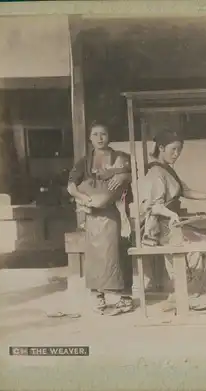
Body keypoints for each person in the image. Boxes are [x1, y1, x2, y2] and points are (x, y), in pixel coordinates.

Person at [138, 129, 206, 312]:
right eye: (173, 149)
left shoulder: (167, 170)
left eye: (179, 150)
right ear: (161, 148)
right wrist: (172, 215)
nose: (176, 154)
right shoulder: (156, 172)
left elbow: (185, 191)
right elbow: (154, 206)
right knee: (200, 248)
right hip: (162, 226)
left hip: (173, 224)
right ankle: (194, 297)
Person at [67, 122, 134, 314]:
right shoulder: (84, 162)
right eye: (95, 134)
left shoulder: (121, 158)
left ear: (109, 136)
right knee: (96, 256)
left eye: (103, 134)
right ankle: (99, 297)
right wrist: (84, 198)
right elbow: (71, 186)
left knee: (119, 254)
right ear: (90, 138)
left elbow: (136, 174)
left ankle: (125, 298)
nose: (99, 138)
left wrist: (124, 177)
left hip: (117, 213)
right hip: (93, 215)